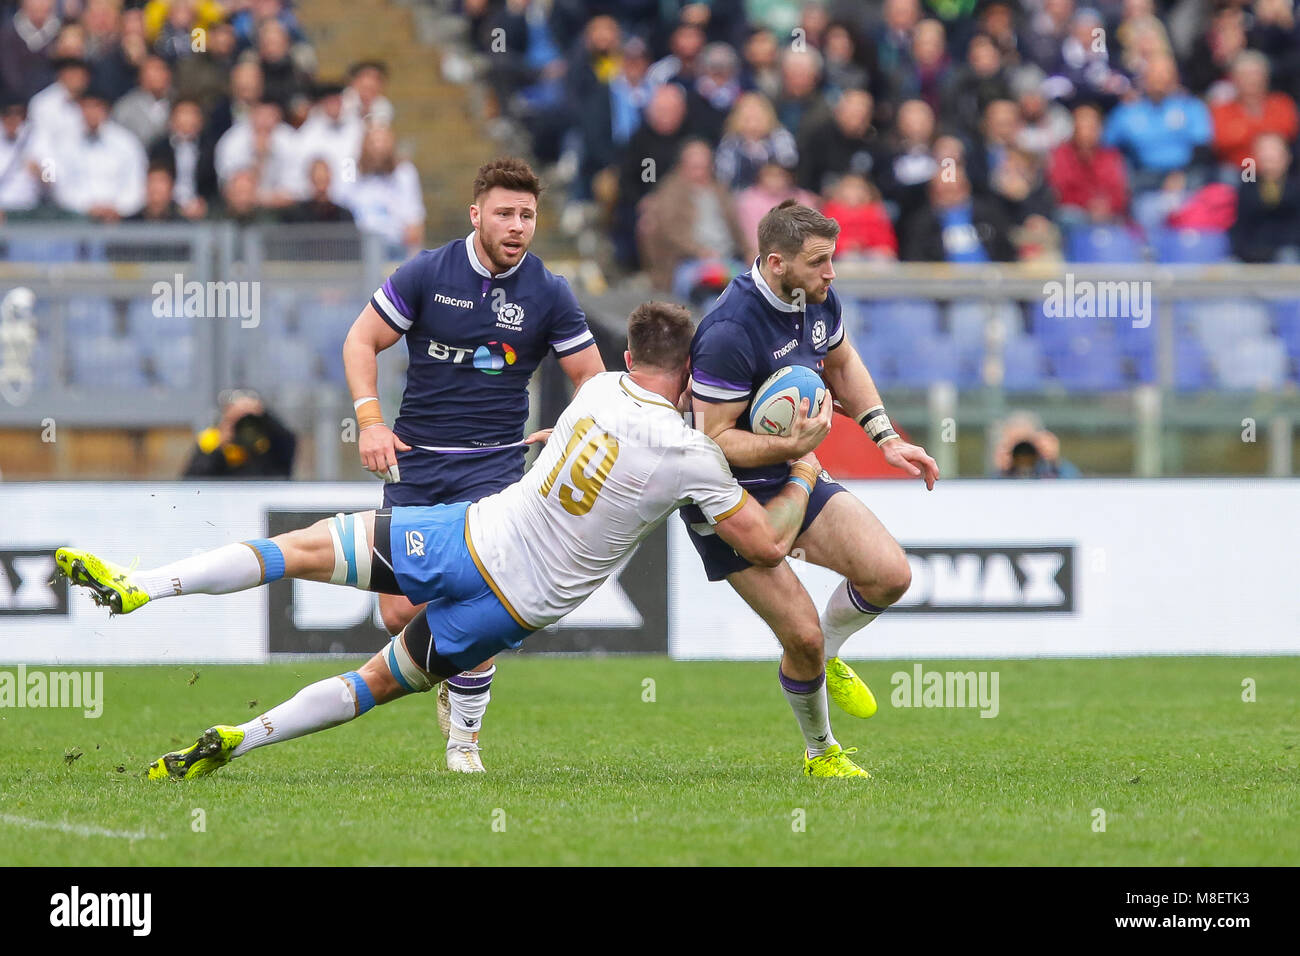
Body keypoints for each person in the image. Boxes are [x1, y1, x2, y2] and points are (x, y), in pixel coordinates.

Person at [55, 303, 838, 780]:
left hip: (463, 535)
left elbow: (592, 430)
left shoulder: (595, 392)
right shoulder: (692, 458)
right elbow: (767, 546)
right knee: (371, 687)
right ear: (690, 370)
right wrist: (799, 463)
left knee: (294, 551)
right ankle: (241, 738)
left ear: (629, 359)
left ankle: (143, 585)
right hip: (510, 608)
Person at [342, 157, 604, 773]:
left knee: (479, 598)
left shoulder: (548, 291)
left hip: (494, 470)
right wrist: (371, 421)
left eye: (528, 215)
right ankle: (449, 666)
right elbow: (360, 340)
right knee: (399, 610)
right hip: (417, 462)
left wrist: (568, 432)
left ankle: (465, 744)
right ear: (476, 214)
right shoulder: (427, 273)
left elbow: (593, 379)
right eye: (505, 213)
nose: (517, 226)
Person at [685, 200, 940, 779]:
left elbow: (843, 360)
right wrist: (796, 452)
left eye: (833, 259)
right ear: (776, 263)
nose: (832, 273)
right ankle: (821, 752)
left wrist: (885, 437)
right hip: (728, 497)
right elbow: (714, 441)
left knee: (890, 574)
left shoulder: (818, 297)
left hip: (791, 469)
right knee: (800, 637)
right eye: (820, 261)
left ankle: (829, 652)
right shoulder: (730, 330)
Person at [182, 389, 297, 478]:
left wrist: (263, 414)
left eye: (250, 421)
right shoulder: (212, 441)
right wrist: (220, 447)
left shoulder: (268, 442)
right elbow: (192, 483)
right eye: (240, 421)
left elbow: (288, 442)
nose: (246, 428)